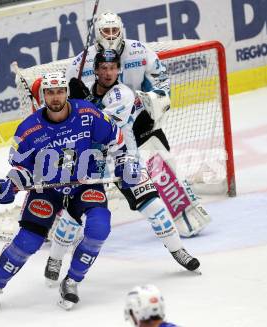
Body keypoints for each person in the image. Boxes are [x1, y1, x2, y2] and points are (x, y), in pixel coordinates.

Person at [0, 71, 140, 312]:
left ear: (67, 91)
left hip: (84, 183)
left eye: (60, 91)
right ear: (43, 95)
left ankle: (72, 281)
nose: (55, 97)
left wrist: (124, 163)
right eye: (50, 92)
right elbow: (22, 170)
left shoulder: (87, 114)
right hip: (48, 189)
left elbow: (118, 142)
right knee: (28, 242)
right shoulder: (28, 130)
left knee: (99, 228)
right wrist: (10, 185)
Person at [43, 49, 200, 286]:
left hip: (123, 158)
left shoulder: (123, 94)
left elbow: (102, 127)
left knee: (154, 206)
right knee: (73, 215)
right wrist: (72, 105)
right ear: (95, 70)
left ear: (119, 70)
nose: (108, 73)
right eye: (103, 68)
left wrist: (82, 104)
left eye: (113, 67)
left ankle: (178, 250)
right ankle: (55, 258)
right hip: (90, 162)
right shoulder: (81, 96)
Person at [65, 11, 211, 238]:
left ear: (122, 31)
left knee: (160, 159)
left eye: (115, 30)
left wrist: (155, 102)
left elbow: (161, 79)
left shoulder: (139, 51)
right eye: (106, 31)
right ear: (97, 33)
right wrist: (74, 98)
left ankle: (186, 212)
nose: (111, 35)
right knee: (86, 176)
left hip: (137, 121)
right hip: (100, 132)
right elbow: (66, 103)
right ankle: (66, 223)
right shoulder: (78, 63)